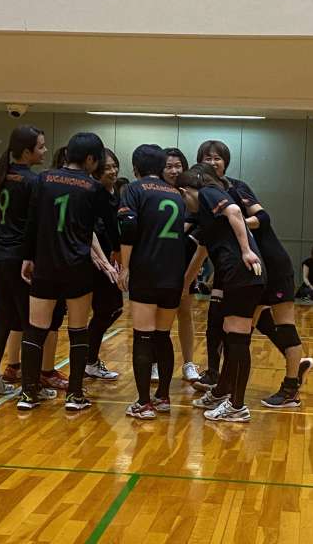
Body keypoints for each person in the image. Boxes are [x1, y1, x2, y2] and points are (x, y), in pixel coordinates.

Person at [194, 140, 313, 407]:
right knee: (239, 333)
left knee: (284, 327)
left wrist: (234, 222)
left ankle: (291, 388)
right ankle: (225, 388)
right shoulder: (205, 195)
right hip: (249, 271)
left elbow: (264, 218)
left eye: (217, 158)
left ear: (225, 162)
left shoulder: (236, 188)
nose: (212, 163)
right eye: (207, 158)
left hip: (272, 264)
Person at [18, 132, 119, 411]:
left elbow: (32, 222)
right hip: (78, 268)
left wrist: (27, 257)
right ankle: (75, 395)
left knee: (35, 329)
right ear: (91, 159)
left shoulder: (43, 179)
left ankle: (28, 394)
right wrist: (116, 255)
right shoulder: (94, 187)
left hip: (46, 265)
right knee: (78, 330)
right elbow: (110, 225)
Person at [178, 164, 265, 422]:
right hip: (236, 276)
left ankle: (237, 406)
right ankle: (225, 394)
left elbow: (235, 211)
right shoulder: (209, 218)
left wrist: (246, 250)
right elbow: (200, 254)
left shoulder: (207, 193)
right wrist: (184, 285)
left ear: (184, 191)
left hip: (241, 273)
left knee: (237, 341)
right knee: (232, 338)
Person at [0, 125, 61, 401]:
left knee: (2, 320)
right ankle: (31, 386)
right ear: (26, 152)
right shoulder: (33, 182)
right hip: (22, 260)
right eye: (40, 146)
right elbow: (40, 224)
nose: (45, 150)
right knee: (32, 324)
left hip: (0, 256)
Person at [118, 144, 186, 420]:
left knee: (143, 336)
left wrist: (125, 267)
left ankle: (144, 403)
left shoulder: (133, 189)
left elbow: (128, 226)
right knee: (162, 335)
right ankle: (164, 397)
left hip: (146, 271)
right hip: (173, 273)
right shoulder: (177, 194)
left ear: (135, 168)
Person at [160, 147, 205, 382]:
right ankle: (157, 362)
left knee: (184, 312)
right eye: (169, 166)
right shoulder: (155, 193)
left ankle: (189, 363)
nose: (174, 170)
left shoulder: (192, 194)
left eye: (178, 166)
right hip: (159, 262)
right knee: (160, 316)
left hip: (185, 263)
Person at [85, 148, 122, 380]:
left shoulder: (117, 193)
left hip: (114, 260)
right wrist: (104, 258)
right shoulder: (94, 193)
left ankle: (89, 359)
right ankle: (89, 361)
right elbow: (94, 230)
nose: (113, 170)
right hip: (98, 262)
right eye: (107, 167)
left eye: (114, 165)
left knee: (113, 309)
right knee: (106, 309)